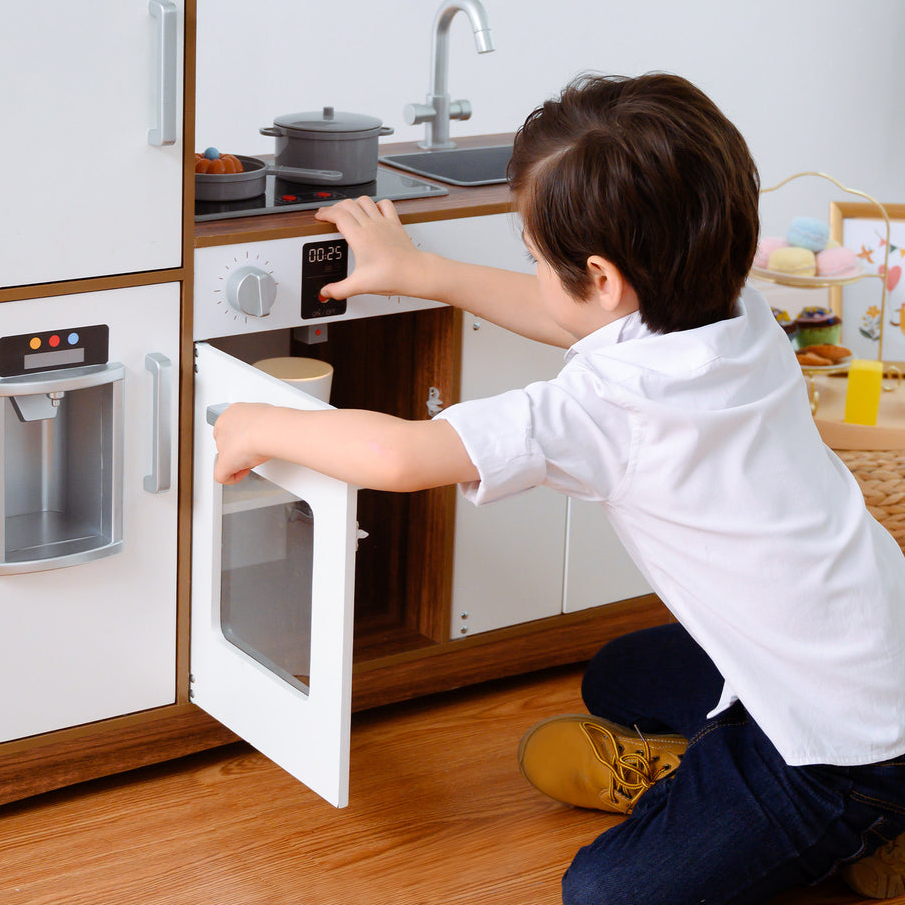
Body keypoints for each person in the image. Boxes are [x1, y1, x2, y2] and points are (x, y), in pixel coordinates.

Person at [212, 73, 905, 904]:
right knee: (617, 678)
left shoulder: (616, 406)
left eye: (536, 259)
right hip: (869, 655)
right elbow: (573, 319)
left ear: (605, 276)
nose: (534, 274)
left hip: (842, 755)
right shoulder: (731, 313)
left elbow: (402, 456)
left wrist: (258, 423)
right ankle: (748, 791)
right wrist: (421, 270)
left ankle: (854, 828)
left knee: (604, 891)